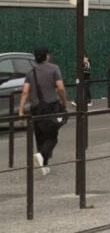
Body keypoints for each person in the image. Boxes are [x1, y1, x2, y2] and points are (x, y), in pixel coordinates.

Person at [18, 48, 68, 176]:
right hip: (50, 107)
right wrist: (64, 103)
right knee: (52, 137)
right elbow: (61, 88)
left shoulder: (31, 72)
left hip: (35, 109)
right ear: (46, 56)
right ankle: (42, 156)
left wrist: (20, 110)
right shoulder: (54, 68)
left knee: (40, 136)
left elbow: (25, 92)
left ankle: (43, 165)